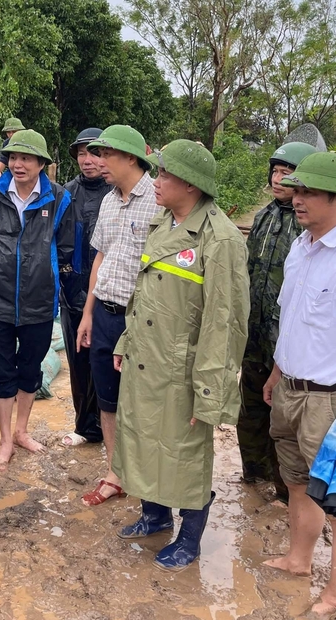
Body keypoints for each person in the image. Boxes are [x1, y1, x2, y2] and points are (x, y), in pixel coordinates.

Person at [114, 140, 250, 571]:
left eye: (165, 175)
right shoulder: (162, 222)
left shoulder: (220, 238)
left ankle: (189, 539)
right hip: (145, 359)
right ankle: (154, 516)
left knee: (183, 454)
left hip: (183, 370)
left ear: (190, 185)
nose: (157, 181)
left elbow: (224, 324)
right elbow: (145, 294)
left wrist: (210, 394)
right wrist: (125, 341)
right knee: (139, 440)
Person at [262, 151, 336, 618]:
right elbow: (291, 320)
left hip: (335, 401)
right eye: (297, 190)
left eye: (309, 191)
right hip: (290, 388)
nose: (297, 198)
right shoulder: (301, 246)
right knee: (295, 483)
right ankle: (298, 560)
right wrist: (275, 373)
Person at [0, 129, 73, 470]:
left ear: (42, 163)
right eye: (13, 157)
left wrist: (54, 281)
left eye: (26, 158)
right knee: (1, 372)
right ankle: (4, 441)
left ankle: (21, 431)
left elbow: (66, 248)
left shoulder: (59, 199)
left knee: (30, 369)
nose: (18, 164)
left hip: (40, 303)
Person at [75, 124, 158, 506]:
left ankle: (148, 479)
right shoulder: (109, 201)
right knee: (107, 400)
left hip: (140, 320)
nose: (98, 162)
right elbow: (100, 259)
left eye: (106, 155)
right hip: (105, 315)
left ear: (130, 157)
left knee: (141, 402)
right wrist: (88, 313)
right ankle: (115, 473)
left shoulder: (158, 201)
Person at [237, 138, 321, 502]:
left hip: (286, 339)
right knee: (250, 407)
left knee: (283, 416)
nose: (278, 179)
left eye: (287, 173)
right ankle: (253, 475)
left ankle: (288, 490)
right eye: (275, 171)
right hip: (253, 331)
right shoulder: (264, 217)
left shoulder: (309, 227)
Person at [59, 128, 113, 447]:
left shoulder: (116, 194)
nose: (87, 160)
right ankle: (84, 427)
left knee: (106, 364)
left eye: (93, 153)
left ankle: (111, 429)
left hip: (106, 294)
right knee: (78, 364)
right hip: (72, 293)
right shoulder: (66, 194)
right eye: (81, 154)